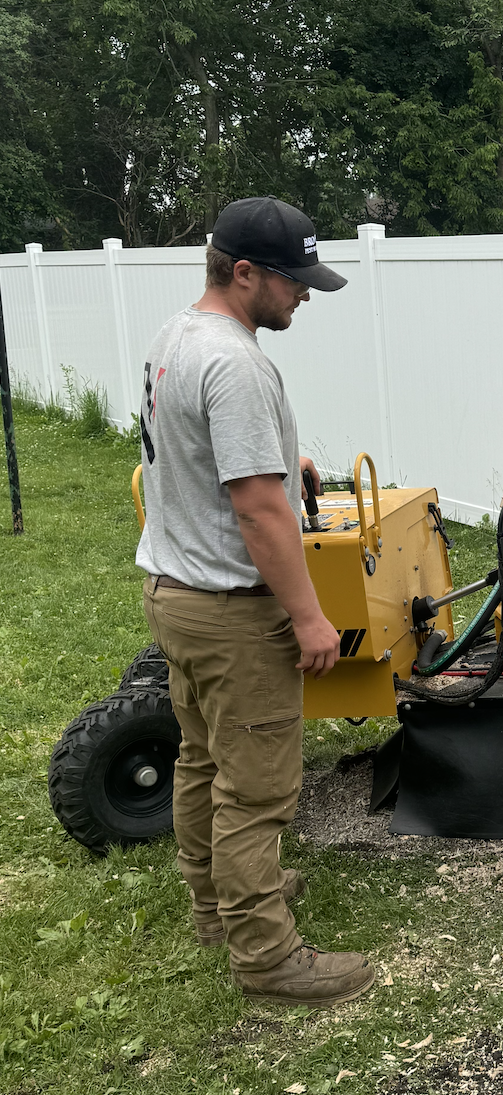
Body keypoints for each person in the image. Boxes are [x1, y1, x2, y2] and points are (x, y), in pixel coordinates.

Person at [136, 196, 374, 1007]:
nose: (305, 293)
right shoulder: (237, 363)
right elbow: (257, 509)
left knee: (202, 758)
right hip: (233, 611)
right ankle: (267, 958)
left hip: (176, 593)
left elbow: (198, 447)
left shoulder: (179, 336)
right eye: (294, 279)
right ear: (244, 273)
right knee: (258, 790)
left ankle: (217, 906)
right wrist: (308, 616)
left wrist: (279, 453)